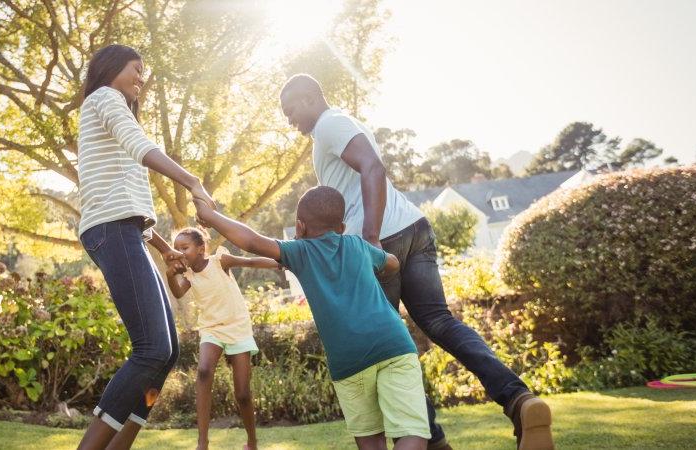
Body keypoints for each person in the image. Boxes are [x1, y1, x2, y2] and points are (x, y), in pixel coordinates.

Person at [277, 73, 553, 450]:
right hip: (413, 227)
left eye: (290, 111)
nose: (289, 121)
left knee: (386, 347)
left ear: (310, 98)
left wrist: (371, 237)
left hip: (381, 239)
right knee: (438, 321)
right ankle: (518, 400)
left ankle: (434, 442)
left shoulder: (329, 125)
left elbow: (373, 167)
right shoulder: (343, 122)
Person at [194, 186, 431, 450]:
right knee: (411, 433)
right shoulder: (357, 245)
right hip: (393, 345)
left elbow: (251, 241)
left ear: (300, 226)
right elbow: (393, 262)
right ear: (341, 227)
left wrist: (211, 216)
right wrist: (385, 262)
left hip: (349, 359)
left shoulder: (300, 252)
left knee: (371, 439)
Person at [75, 44, 216, 450]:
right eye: (136, 69)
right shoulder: (105, 97)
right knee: (151, 347)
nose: (141, 78)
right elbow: (140, 146)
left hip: (124, 230)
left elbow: (126, 202)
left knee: (167, 351)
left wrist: (161, 246)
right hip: (111, 231)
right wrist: (192, 182)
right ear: (110, 68)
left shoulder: (108, 110)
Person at [166, 227, 280, 450]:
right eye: (177, 249)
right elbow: (178, 293)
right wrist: (171, 276)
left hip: (237, 327)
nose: (180, 252)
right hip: (211, 328)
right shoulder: (189, 275)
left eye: (184, 248)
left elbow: (250, 262)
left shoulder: (220, 260)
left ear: (201, 249)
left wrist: (279, 262)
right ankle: (202, 442)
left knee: (243, 393)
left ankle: (252, 441)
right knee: (204, 371)